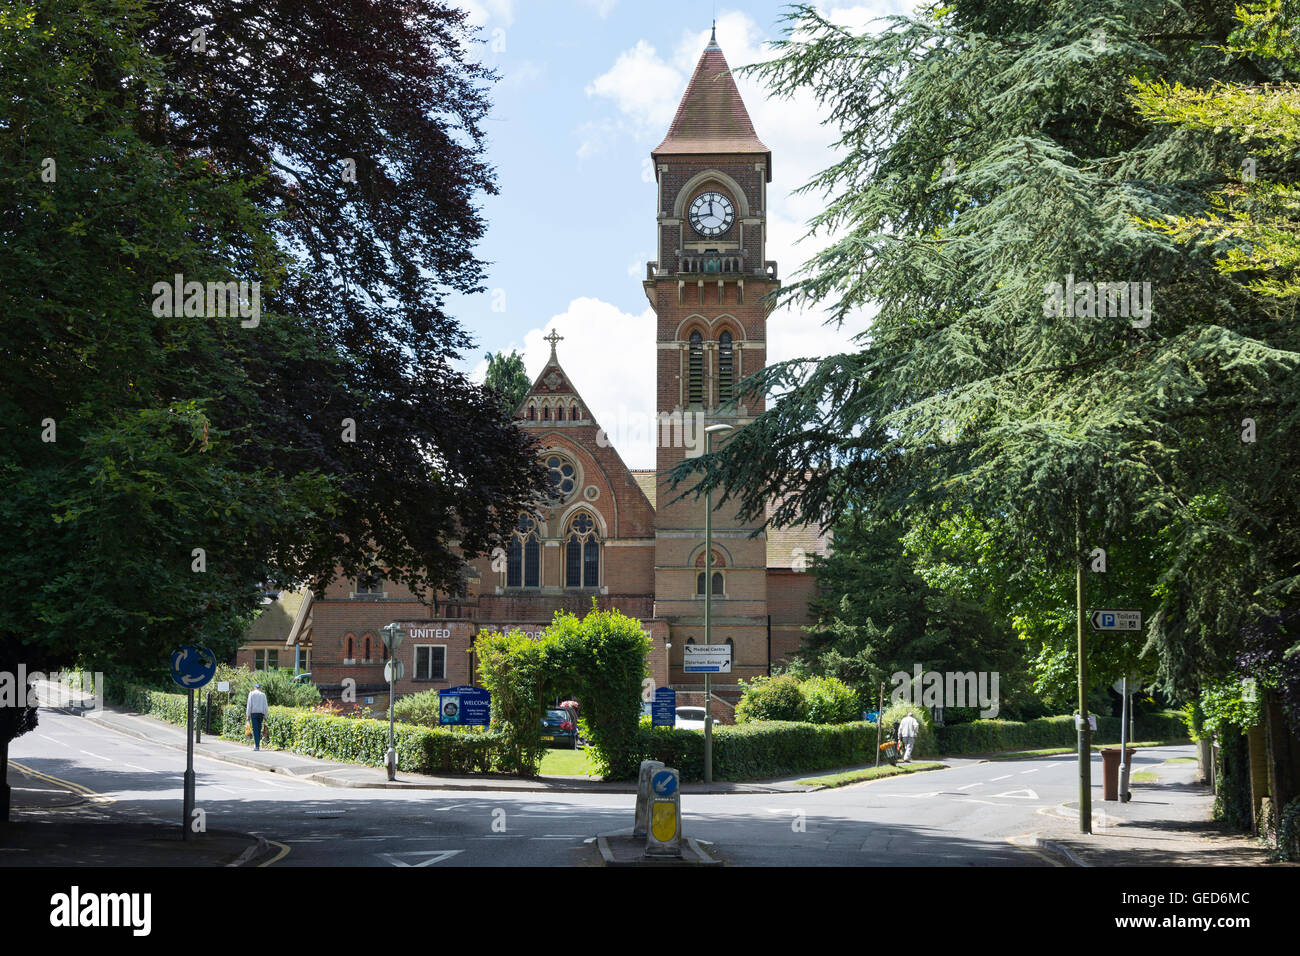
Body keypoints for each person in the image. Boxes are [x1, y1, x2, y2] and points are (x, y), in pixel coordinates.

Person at [246, 682, 269, 751]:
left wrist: (248, 715)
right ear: (259, 688)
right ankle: (257, 744)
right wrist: (265, 716)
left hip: (254, 713)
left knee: (255, 730)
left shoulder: (251, 694)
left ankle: (257, 746)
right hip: (261, 714)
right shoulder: (263, 695)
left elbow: (249, 705)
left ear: (254, 687)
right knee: (259, 729)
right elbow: (265, 706)